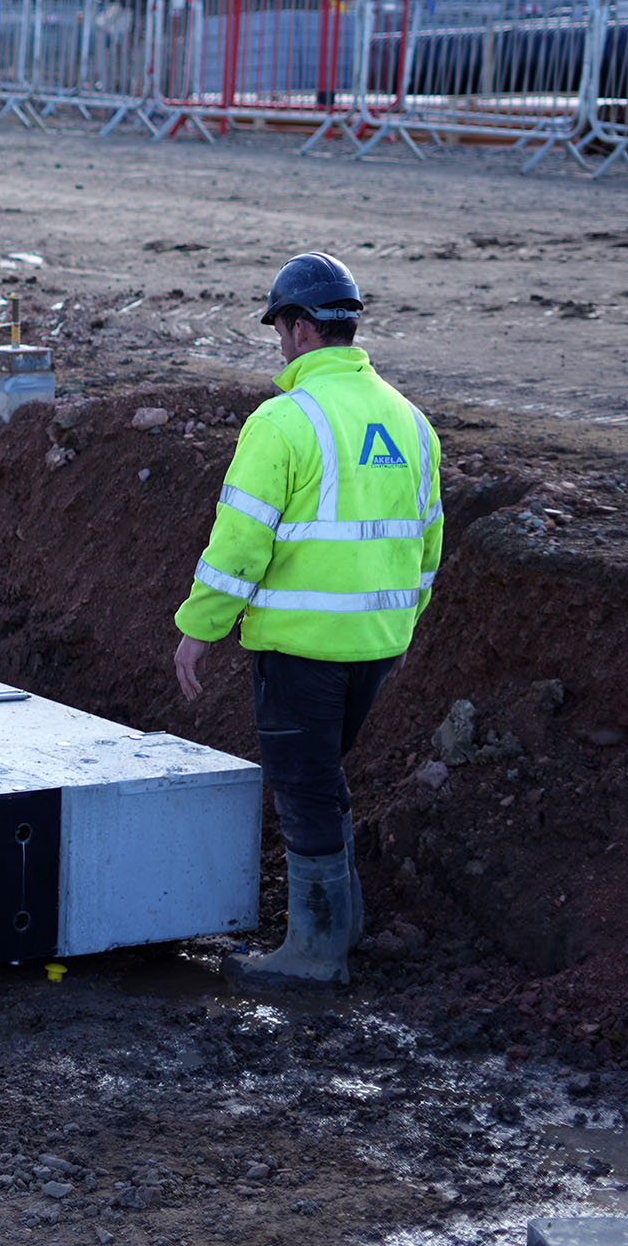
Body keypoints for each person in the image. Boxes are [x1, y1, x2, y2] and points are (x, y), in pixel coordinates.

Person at [172, 251, 443, 987]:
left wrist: (200, 627)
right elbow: (427, 543)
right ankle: (340, 924)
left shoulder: (284, 421)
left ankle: (314, 954)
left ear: (295, 328)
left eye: (278, 329)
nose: (278, 343)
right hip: (376, 644)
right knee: (325, 778)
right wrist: (400, 627)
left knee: (303, 787)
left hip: (301, 648)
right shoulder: (409, 421)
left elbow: (240, 539)